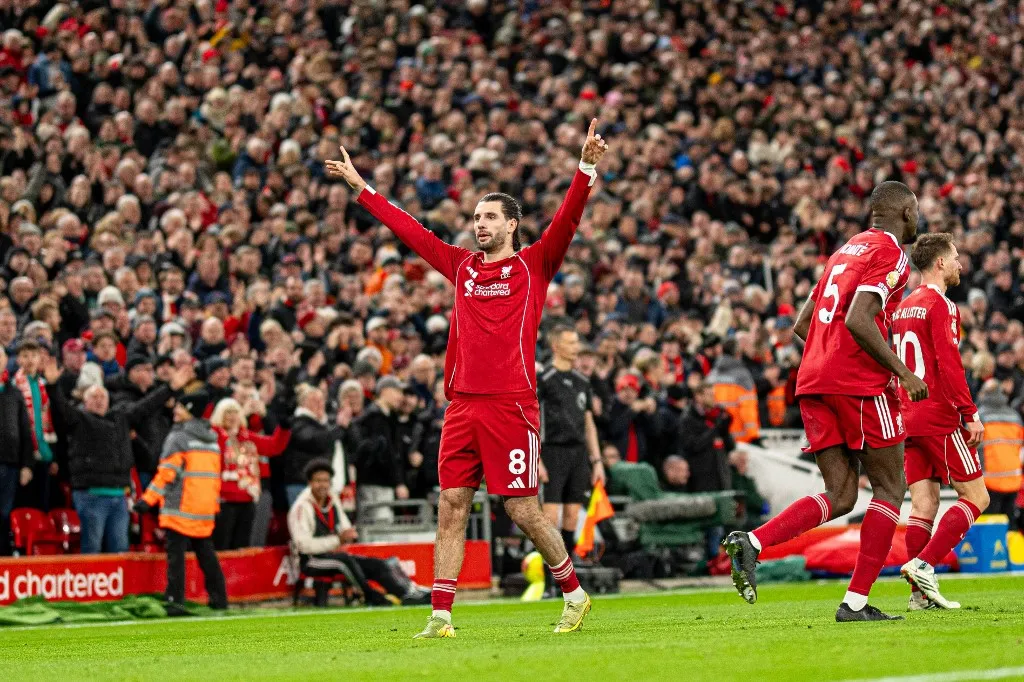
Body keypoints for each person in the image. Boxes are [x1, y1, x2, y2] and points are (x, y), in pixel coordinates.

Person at [326, 118, 609, 637]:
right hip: (461, 406)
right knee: (451, 504)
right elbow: (410, 230)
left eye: (489, 218)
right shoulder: (460, 266)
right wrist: (363, 190)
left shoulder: (534, 265)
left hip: (511, 405)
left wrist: (585, 166)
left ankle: (573, 591)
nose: (479, 225)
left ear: (512, 226)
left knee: (522, 507)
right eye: (476, 217)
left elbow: (568, 219)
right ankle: (440, 615)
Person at [723, 181, 927, 622]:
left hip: (813, 380)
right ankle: (855, 602)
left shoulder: (843, 252)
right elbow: (858, 318)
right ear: (906, 212)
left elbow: (802, 323)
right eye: (917, 211)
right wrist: (902, 372)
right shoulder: (892, 254)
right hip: (857, 384)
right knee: (891, 488)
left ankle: (752, 543)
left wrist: (829, 356)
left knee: (841, 495)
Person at [891, 233, 989, 610]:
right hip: (938, 416)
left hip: (908, 417)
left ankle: (918, 597)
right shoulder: (941, 305)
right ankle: (924, 565)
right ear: (939, 264)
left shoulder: (902, 308)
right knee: (977, 496)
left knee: (923, 506)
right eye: (955, 258)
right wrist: (969, 413)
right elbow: (949, 365)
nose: (961, 264)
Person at [287, 459, 430, 607]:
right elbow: (303, 545)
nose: (322, 485)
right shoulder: (302, 507)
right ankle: (370, 596)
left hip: (334, 554)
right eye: (318, 481)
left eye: (326, 481)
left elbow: (346, 529)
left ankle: (407, 594)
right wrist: (338, 540)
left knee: (376, 564)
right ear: (309, 482)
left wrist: (348, 536)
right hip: (310, 560)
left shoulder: (332, 500)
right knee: (344, 561)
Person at [135, 390, 227, 613]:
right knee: (207, 556)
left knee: (176, 559)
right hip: (203, 510)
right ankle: (220, 599)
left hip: (180, 508)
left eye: (181, 407)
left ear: (191, 412)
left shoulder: (179, 438)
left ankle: (176, 599)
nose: (175, 411)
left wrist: (147, 500)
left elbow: (166, 475)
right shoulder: (212, 440)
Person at [537, 325, 605, 557]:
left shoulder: (581, 381)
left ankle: (568, 570)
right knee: (550, 516)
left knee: (573, 515)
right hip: (552, 451)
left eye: (577, 342)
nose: (576, 347)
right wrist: (536, 459)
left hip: (578, 453)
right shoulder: (544, 379)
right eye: (571, 343)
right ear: (556, 346)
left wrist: (596, 461)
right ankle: (549, 575)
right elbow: (532, 420)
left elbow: (589, 424)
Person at [210, 398, 290, 551]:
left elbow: (274, 446)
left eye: (235, 412)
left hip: (248, 498)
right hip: (223, 499)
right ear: (219, 415)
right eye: (228, 413)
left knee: (242, 544)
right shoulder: (214, 436)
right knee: (222, 544)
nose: (232, 417)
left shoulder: (247, 437)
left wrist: (284, 427)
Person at [350, 375, 409, 524]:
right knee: (379, 528)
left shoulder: (387, 417)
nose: (401, 397)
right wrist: (398, 482)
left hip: (379, 484)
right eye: (397, 391)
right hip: (375, 484)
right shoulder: (375, 417)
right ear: (385, 391)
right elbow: (386, 453)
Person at [0, 345, 33, 555]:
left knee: (4, 514)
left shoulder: (14, 392)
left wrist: (27, 464)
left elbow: (25, 430)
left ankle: (3, 559)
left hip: (10, 465)